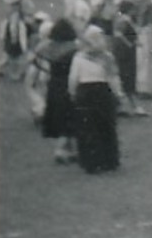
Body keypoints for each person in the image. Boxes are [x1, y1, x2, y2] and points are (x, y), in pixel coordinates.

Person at [68, 26, 122, 174]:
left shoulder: (79, 57)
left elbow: (73, 78)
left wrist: (72, 93)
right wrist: (117, 94)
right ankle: (108, 160)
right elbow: (113, 77)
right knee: (105, 126)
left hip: (84, 93)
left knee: (87, 128)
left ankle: (91, 162)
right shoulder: (107, 57)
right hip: (103, 92)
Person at [32, 17, 80, 164]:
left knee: (60, 117)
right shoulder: (74, 48)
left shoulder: (47, 47)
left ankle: (70, 150)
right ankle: (60, 151)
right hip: (68, 85)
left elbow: (37, 62)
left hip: (53, 84)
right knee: (69, 118)